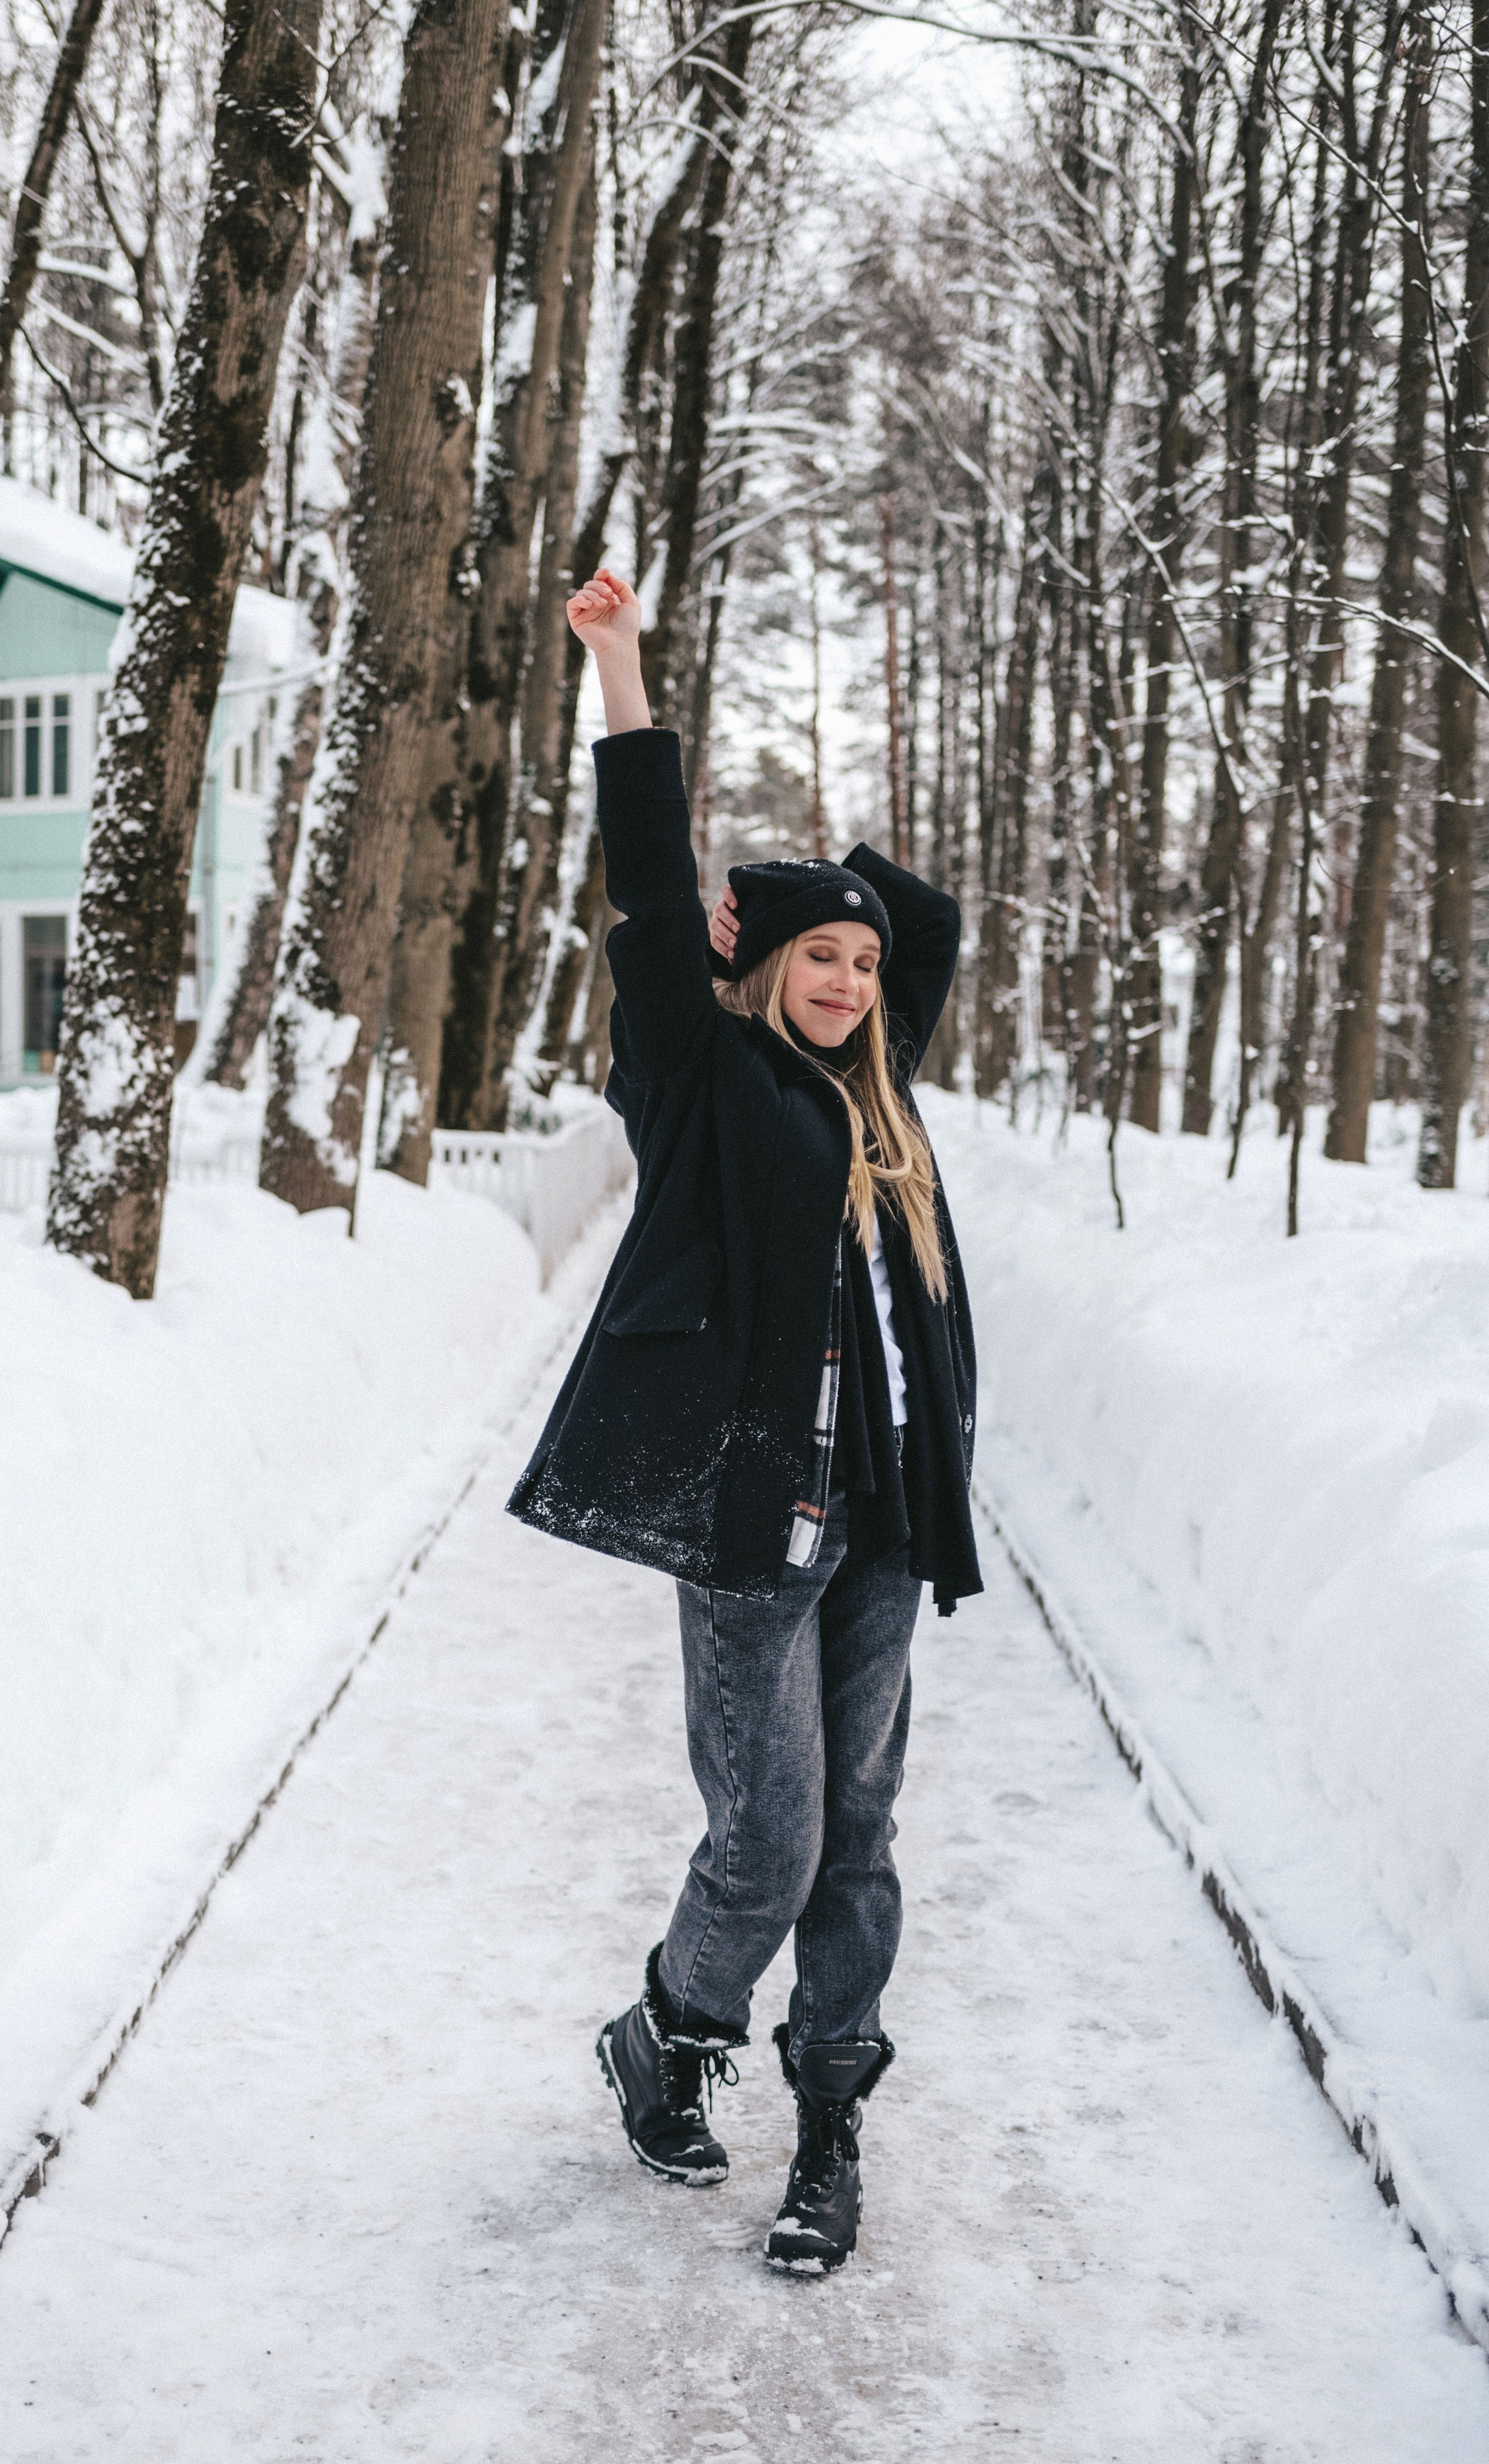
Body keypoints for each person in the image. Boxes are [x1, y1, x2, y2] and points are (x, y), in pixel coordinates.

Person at [508, 568, 983, 2277]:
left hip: (877, 1528)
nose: (856, 979)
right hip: (745, 1522)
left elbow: (924, 928)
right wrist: (621, 671)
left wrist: (837, 879)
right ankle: (671, 2030)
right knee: (767, 1838)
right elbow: (645, 890)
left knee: (859, 1835)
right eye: (821, 956)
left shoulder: (883, 1103)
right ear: (764, 965)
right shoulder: (702, 1081)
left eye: (861, 961)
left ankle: (830, 2121)